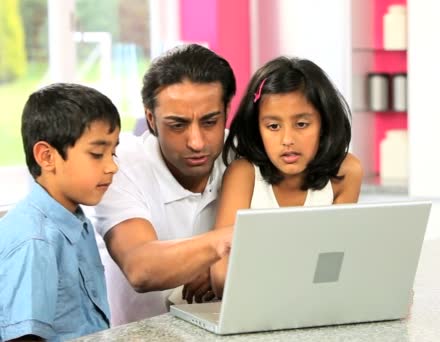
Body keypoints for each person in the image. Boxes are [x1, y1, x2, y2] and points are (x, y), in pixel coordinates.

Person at [91, 44, 234, 326]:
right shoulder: (119, 166)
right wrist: (227, 246)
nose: (196, 142)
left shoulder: (243, 155)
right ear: (151, 120)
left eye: (210, 121)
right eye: (177, 125)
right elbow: (141, 267)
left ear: (226, 113)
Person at [210, 56, 363, 297]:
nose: (287, 140)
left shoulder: (346, 172)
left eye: (302, 124)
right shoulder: (243, 175)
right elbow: (221, 274)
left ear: (324, 123)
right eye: (273, 126)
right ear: (256, 128)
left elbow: (334, 261)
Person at [0, 83, 120, 341]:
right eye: (98, 154)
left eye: (114, 152)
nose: (112, 166)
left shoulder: (75, 220)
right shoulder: (35, 240)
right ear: (46, 157)